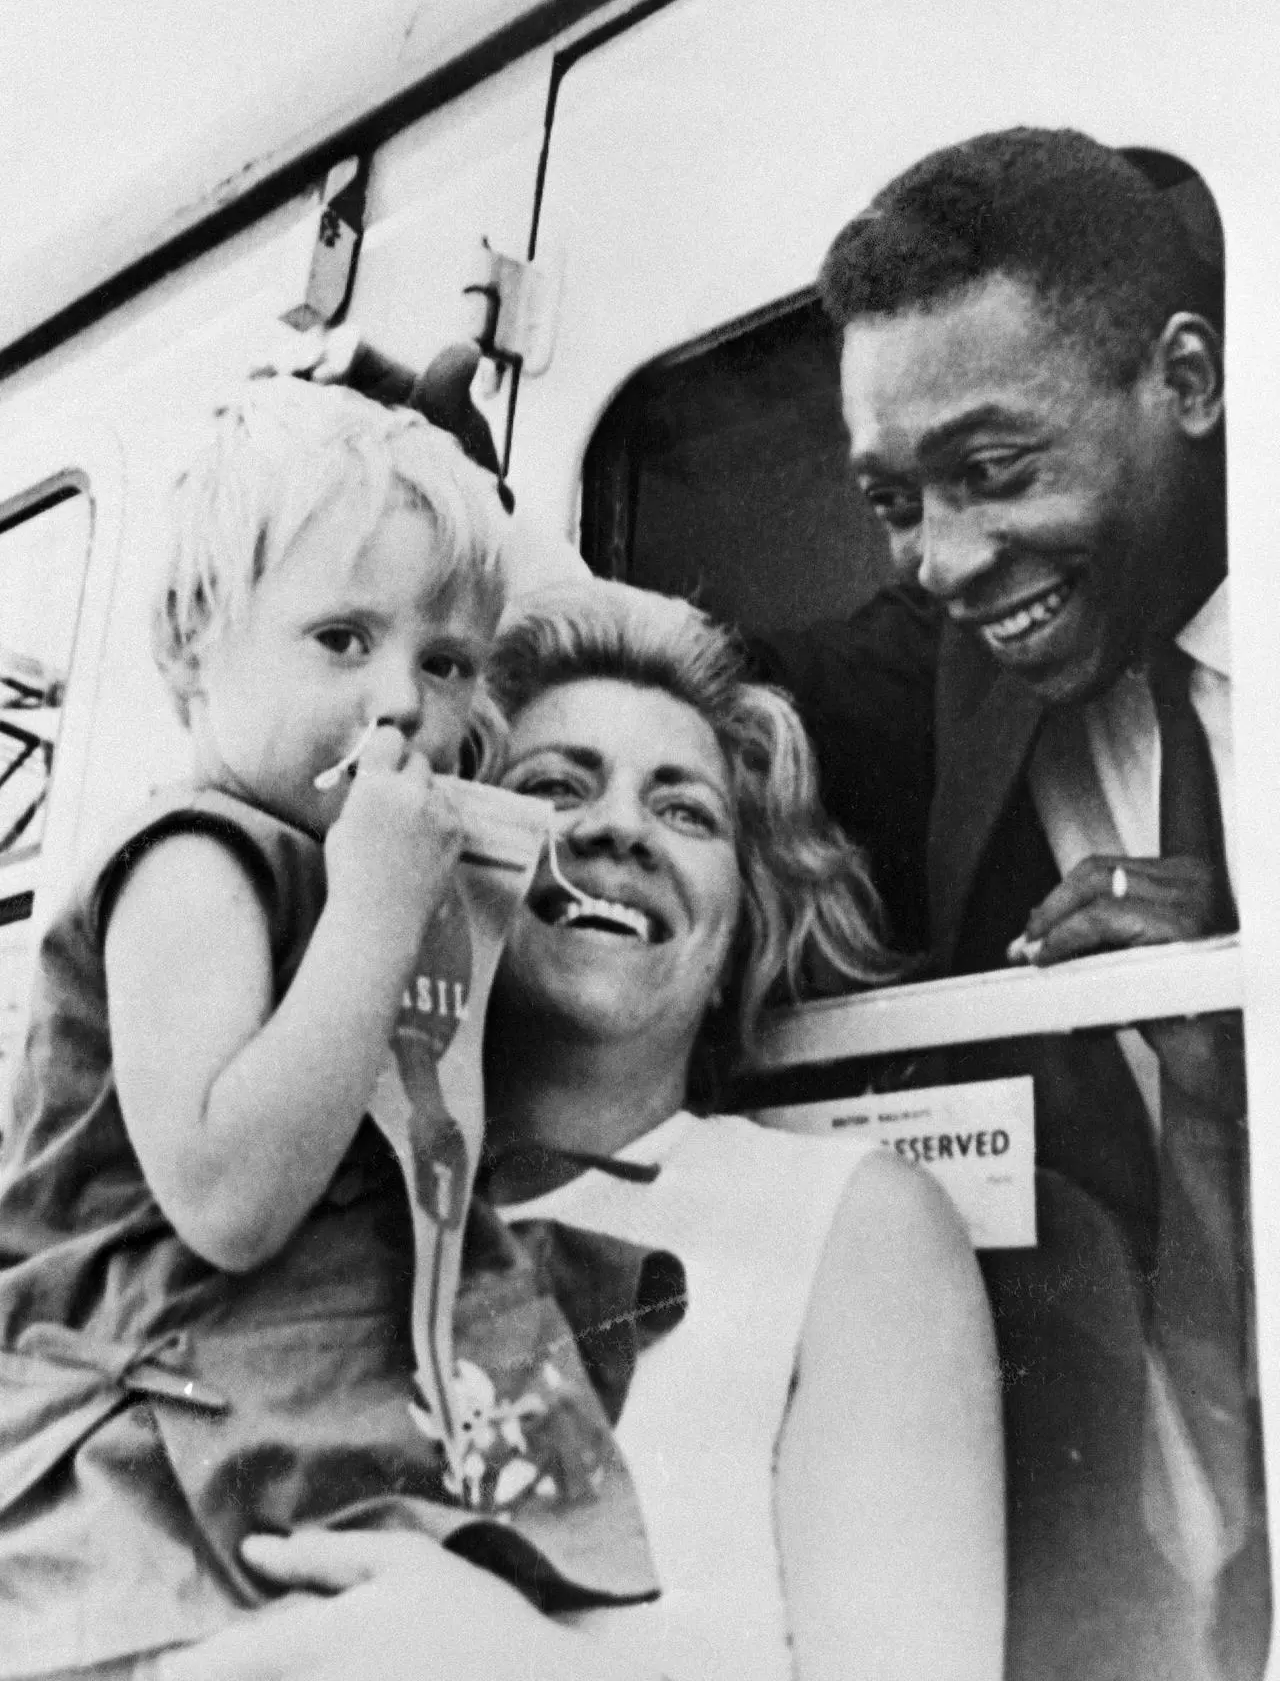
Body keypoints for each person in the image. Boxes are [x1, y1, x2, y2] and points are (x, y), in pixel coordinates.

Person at [162, 580, 1005, 1681]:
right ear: (431, 865)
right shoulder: (292, 1204)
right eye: (554, 787)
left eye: (686, 810)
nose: (616, 829)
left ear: (737, 927)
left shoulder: (847, 1224)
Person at [0, 384, 650, 1680]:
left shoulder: (349, 854)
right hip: (140, 1435)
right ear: (190, 646)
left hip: (280, 1390)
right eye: (343, 640)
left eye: (446, 662)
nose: (402, 702)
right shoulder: (195, 860)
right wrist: (373, 913)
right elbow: (231, 1199)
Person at [755, 128, 1265, 1678]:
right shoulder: (968, 664)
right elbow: (728, 679)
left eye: (991, 472)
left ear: (1185, 381)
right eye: (893, 500)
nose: (947, 563)